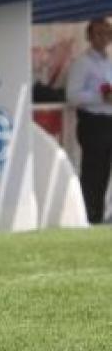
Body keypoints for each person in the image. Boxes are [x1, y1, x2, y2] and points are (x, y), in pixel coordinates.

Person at [66, 18, 112, 224]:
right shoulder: (82, 63)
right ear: (90, 37)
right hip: (93, 122)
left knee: (105, 174)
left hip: (109, 120)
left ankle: (100, 215)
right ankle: (90, 216)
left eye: (107, 33)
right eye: (99, 34)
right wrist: (99, 96)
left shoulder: (109, 62)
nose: (104, 38)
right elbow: (72, 95)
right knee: (94, 172)